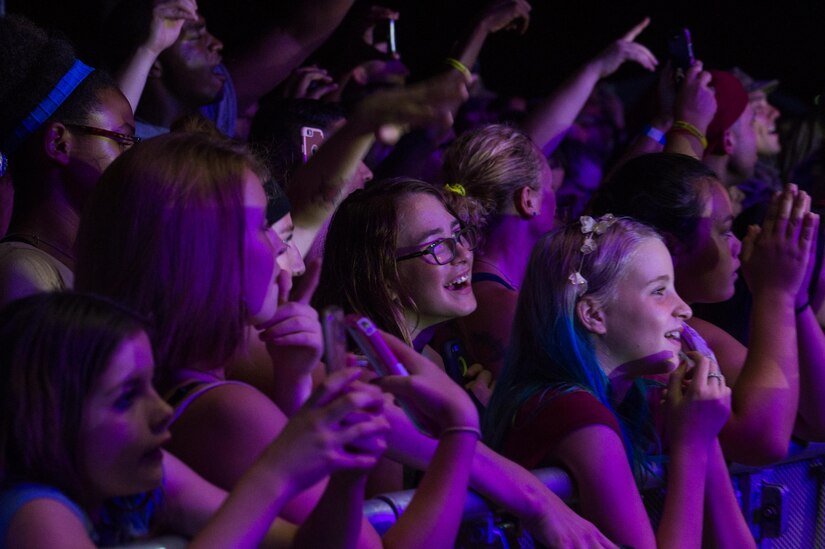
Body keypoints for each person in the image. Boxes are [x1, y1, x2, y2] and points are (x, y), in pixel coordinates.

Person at [73, 130, 482, 548]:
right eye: (259, 225)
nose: (278, 245)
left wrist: (294, 385)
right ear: (202, 255)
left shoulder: (194, 394)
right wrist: (460, 431)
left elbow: (306, 542)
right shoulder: (227, 409)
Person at [313, 177, 616, 548]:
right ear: (384, 278)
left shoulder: (433, 358)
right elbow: (384, 524)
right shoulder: (368, 381)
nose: (462, 254)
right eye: (436, 246)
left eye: (459, 234)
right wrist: (541, 505)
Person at [0, 291, 390, 548]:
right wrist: (275, 473)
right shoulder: (33, 510)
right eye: (126, 397)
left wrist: (345, 474)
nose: (163, 411)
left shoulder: (142, 484)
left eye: (152, 385)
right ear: (46, 419)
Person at [486, 216, 755, 548]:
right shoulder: (573, 413)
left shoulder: (646, 399)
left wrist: (704, 429)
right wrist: (693, 444)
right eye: (659, 291)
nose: (684, 308)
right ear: (594, 315)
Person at [590, 152, 825, 463]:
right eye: (724, 231)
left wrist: (796, 299)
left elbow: (818, 419)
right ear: (671, 245)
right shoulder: (638, 344)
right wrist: (775, 294)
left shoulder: (696, 335)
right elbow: (764, 441)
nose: (737, 244)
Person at [0, 15, 136, 308]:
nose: (133, 157)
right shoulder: (22, 271)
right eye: (122, 140)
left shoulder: (92, 262)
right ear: (58, 143)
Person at [438, 124, 555, 377]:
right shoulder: (504, 307)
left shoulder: (466, 281)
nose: (556, 200)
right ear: (528, 201)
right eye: (551, 188)